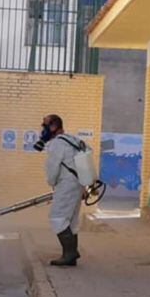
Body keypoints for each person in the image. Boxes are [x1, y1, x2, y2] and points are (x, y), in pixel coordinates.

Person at [40, 114, 84, 267]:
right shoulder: (73, 140)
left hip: (66, 184)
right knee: (70, 219)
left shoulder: (57, 144)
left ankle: (69, 253)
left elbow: (52, 168)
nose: (43, 129)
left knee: (57, 217)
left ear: (53, 126)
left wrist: (51, 182)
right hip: (78, 184)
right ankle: (71, 254)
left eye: (45, 125)